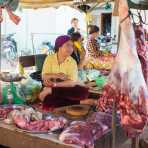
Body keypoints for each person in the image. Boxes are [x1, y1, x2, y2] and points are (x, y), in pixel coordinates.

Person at [39, 35, 88, 108]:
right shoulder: (50, 58)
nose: (71, 48)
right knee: (48, 99)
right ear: (59, 46)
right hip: (52, 87)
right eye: (67, 45)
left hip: (64, 88)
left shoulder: (72, 62)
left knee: (83, 92)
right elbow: (44, 76)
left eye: (72, 46)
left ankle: (50, 92)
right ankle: (81, 102)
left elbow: (71, 83)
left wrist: (54, 86)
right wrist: (57, 76)